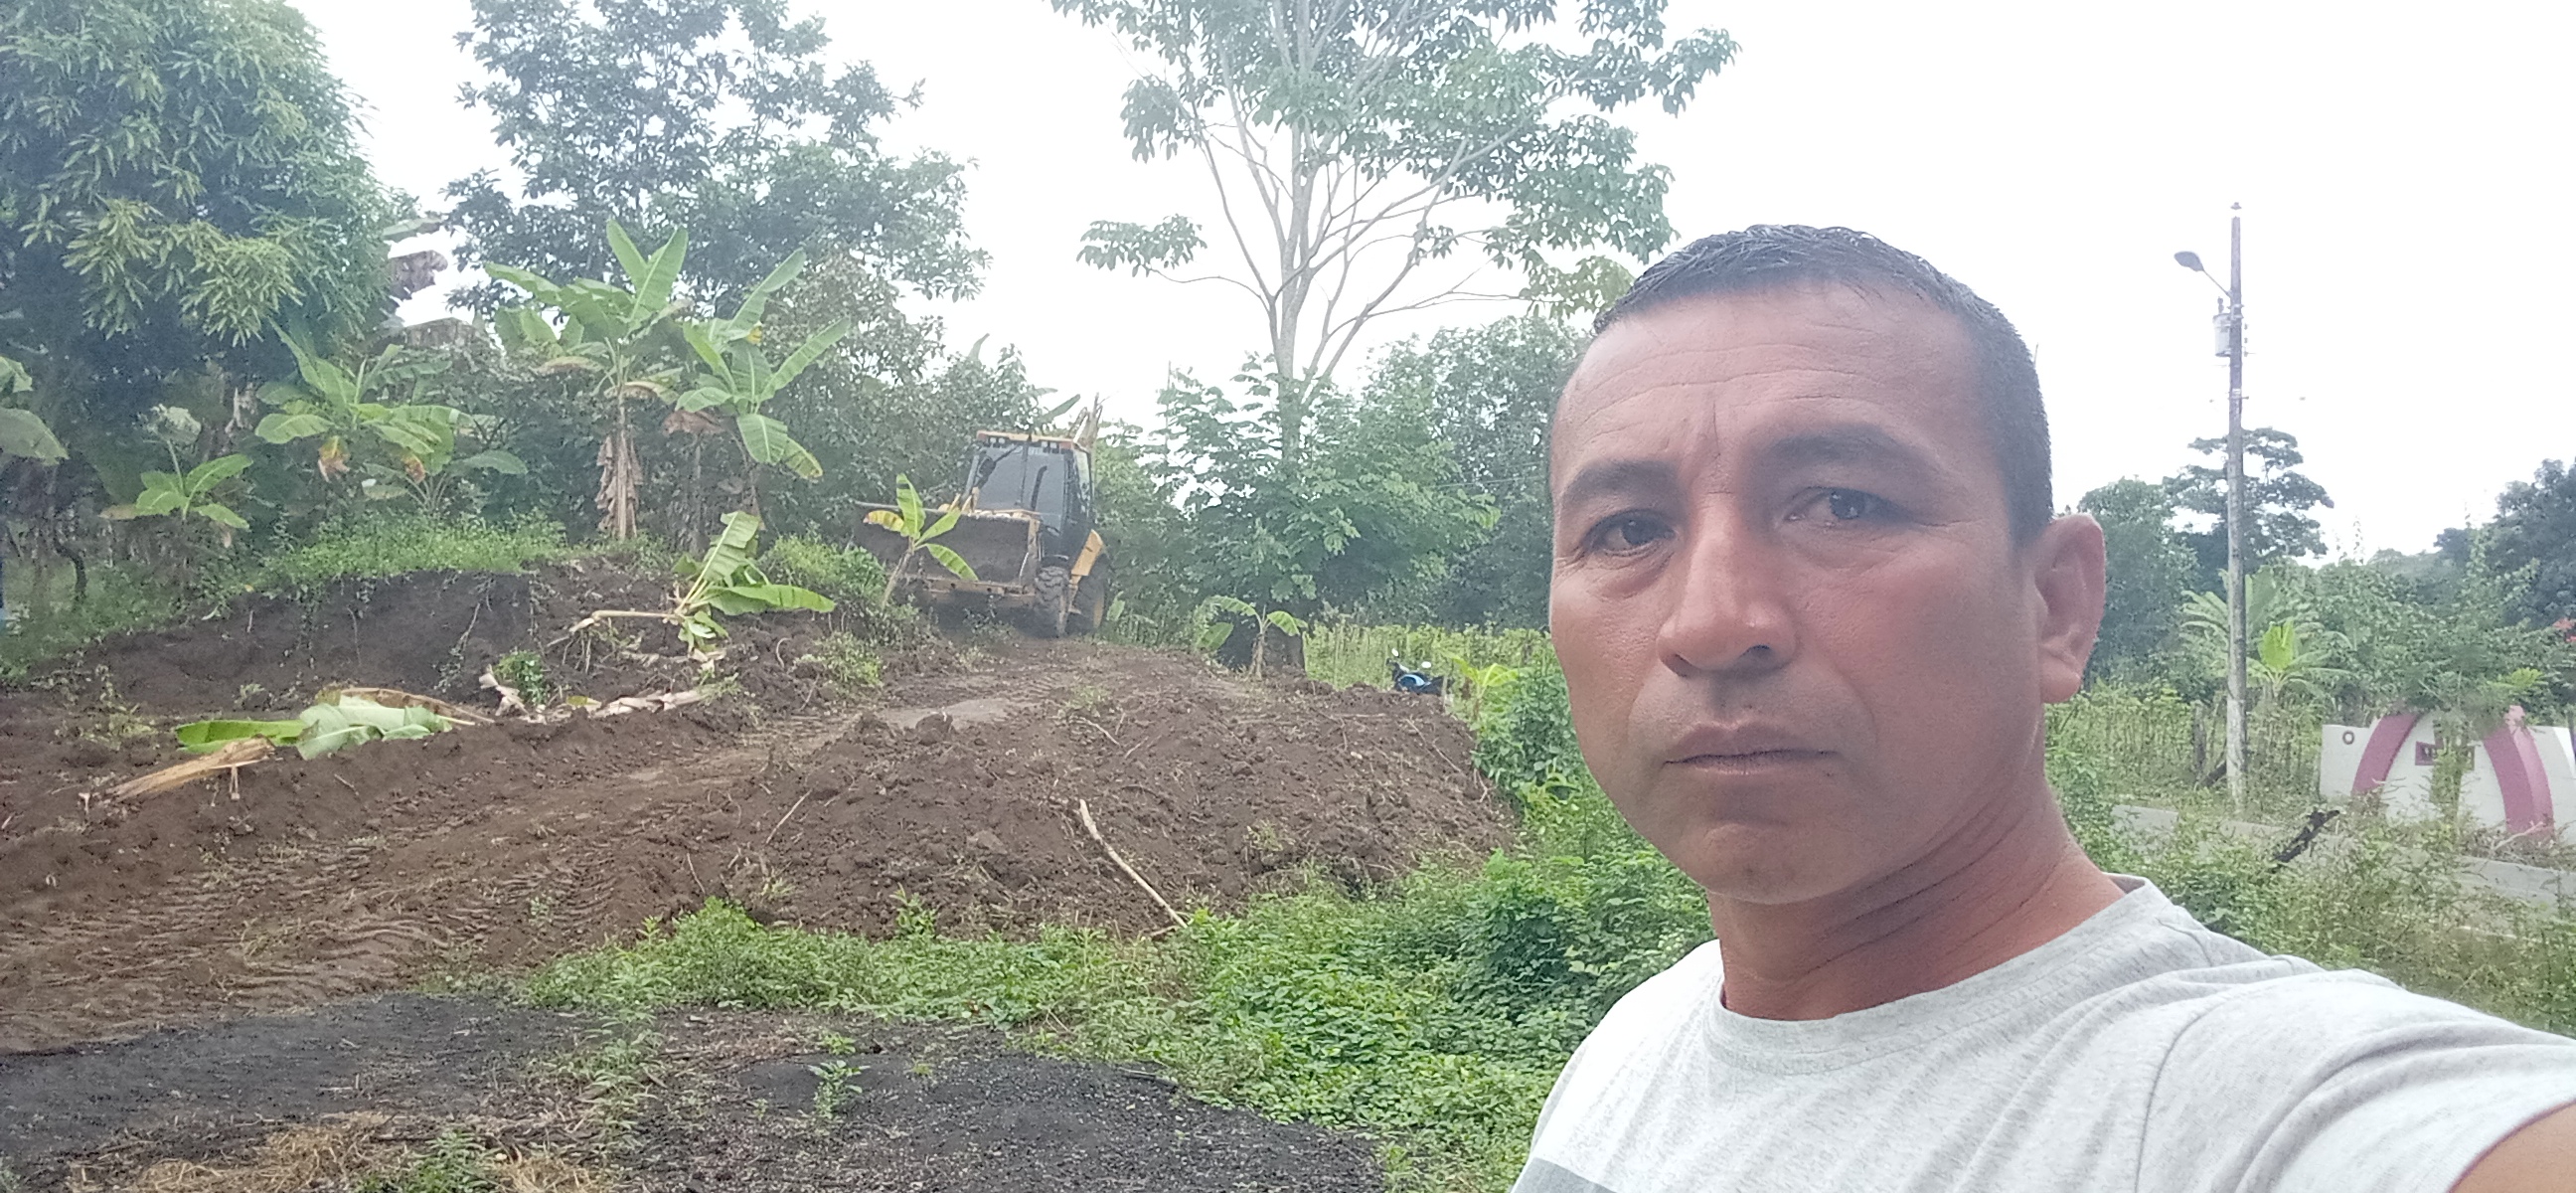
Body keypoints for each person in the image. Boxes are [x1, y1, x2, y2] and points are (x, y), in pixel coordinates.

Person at [1521, 225, 2576, 1193]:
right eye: (1627, 530)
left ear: (2056, 607)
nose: (1711, 622)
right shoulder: (1638, 1040)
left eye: (1844, 504)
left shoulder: (2251, 1111)